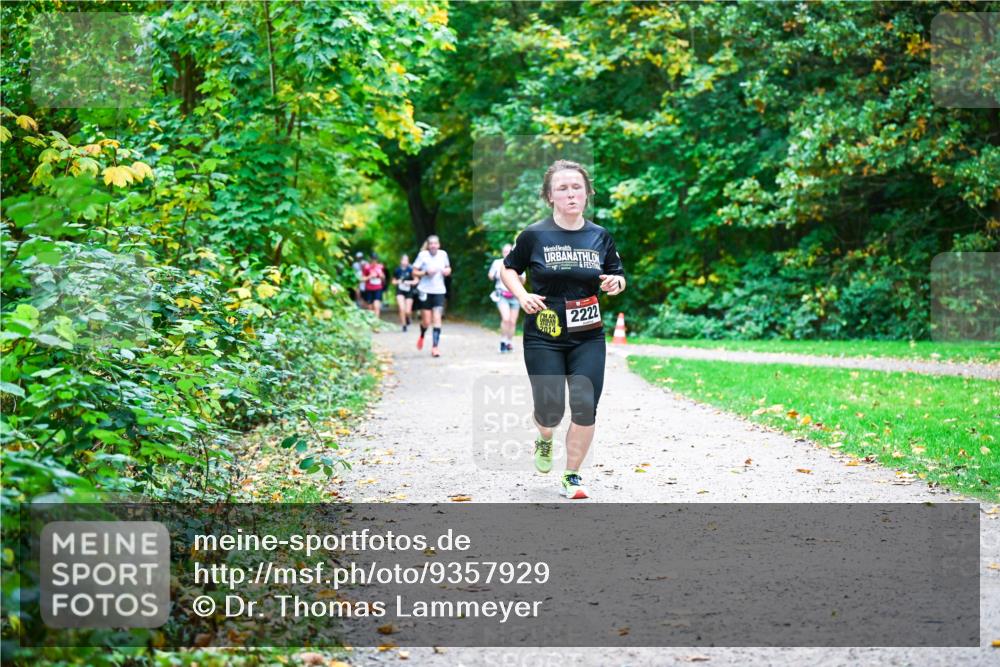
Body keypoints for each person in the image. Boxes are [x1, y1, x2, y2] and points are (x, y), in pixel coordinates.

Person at [500, 160, 625, 499]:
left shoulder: (600, 236)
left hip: (588, 334)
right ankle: (544, 436)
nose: (571, 193)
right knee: (551, 409)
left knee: (586, 404)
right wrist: (523, 294)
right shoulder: (534, 235)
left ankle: (572, 476)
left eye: (576, 187)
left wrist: (616, 282)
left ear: (587, 193)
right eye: (562, 188)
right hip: (545, 332)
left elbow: (616, 273)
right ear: (550, 196)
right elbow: (508, 269)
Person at [411, 235, 451, 358]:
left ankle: (435, 347)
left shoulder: (443, 254)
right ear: (428, 245)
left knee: (437, 318)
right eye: (431, 243)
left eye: (435, 243)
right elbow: (413, 271)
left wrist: (447, 271)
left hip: (439, 291)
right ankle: (422, 334)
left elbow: (448, 268)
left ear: (439, 245)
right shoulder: (423, 255)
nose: (433, 245)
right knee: (427, 322)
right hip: (425, 290)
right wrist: (425, 272)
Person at [488, 243, 525, 353]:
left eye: (509, 251)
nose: (507, 253)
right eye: (505, 251)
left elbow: (523, 282)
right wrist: (497, 275)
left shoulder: (519, 264)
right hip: (502, 294)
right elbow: (490, 276)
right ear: (502, 253)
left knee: (513, 322)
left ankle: (509, 342)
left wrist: (518, 277)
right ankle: (503, 342)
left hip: (515, 295)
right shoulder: (497, 263)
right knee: (506, 319)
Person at [393, 254, 415, 332]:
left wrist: (409, 282)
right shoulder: (397, 270)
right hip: (400, 291)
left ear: (408, 261)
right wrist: (397, 282)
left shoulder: (411, 270)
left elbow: (416, 281)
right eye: (403, 260)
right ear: (401, 261)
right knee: (402, 308)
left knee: (408, 311)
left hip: (409, 291)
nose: (404, 262)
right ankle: (404, 325)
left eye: (406, 260)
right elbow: (393, 281)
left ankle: (408, 318)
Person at [361, 252, 385, 320]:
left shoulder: (380, 267)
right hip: (369, 289)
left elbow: (383, 278)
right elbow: (362, 279)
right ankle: (372, 321)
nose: (374, 261)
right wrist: (370, 276)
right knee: (370, 308)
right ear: (370, 259)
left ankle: (376, 323)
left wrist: (381, 275)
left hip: (378, 288)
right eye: (373, 259)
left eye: (375, 259)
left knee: (376, 306)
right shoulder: (366, 267)